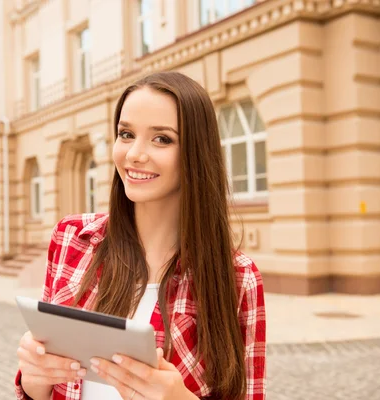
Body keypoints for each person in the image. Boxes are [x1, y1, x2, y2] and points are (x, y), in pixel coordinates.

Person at [15, 71, 266, 400]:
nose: (134, 154)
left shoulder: (236, 278)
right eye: (126, 134)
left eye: (161, 138)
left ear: (196, 152)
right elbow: (42, 390)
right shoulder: (72, 238)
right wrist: (35, 379)